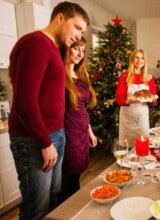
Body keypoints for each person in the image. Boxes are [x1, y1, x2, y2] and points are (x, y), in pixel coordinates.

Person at [8, 2, 89, 219]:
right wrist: (45, 142)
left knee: (53, 202)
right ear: (60, 18)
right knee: (37, 208)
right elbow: (24, 100)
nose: (79, 35)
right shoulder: (37, 43)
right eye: (77, 27)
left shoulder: (54, 48)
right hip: (35, 140)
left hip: (56, 134)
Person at [60, 37, 97, 201]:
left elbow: (83, 107)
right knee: (69, 177)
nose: (80, 54)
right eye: (76, 49)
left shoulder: (81, 74)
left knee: (77, 174)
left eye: (83, 51)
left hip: (82, 131)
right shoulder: (59, 75)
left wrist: (89, 131)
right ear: (67, 48)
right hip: (68, 132)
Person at [116, 49, 157, 148]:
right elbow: (119, 99)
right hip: (127, 119)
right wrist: (130, 100)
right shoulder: (124, 77)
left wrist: (152, 100)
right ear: (132, 60)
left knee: (142, 146)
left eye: (142, 58)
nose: (140, 60)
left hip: (142, 119)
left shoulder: (149, 79)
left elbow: (154, 100)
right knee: (127, 148)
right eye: (137, 58)